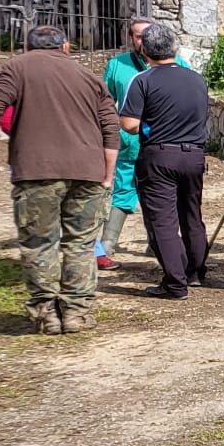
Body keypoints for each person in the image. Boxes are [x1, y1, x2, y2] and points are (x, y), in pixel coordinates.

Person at [0, 24, 120, 334]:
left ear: (28, 47)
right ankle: (76, 314)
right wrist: (107, 175)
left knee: (40, 244)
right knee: (80, 245)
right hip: (88, 172)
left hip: (37, 172)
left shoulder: (17, 67)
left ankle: (47, 314)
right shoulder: (88, 77)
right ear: (65, 47)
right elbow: (110, 128)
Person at [119, 23, 211, 301]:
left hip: (159, 155)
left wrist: (149, 125)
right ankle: (195, 271)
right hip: (194, 154)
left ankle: (175, 282)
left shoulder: (144, 80)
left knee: (163, 221)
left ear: (144, 50)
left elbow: (129, 123)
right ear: (176, 48)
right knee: (192, 215)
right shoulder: (197, 79)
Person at [96, 15, 162, 270]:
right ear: (130, 37)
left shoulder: (176, 63)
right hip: (128, 142)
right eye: (137, 35)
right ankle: (107, 246)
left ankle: (156, 243)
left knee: (159, 194)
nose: (142, 39)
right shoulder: (117, 65)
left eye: (147, 34)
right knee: (123, 193)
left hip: (161, 142)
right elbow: (105, 101)